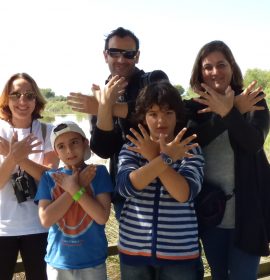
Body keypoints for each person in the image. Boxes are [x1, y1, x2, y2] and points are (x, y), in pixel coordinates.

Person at [187, 40, 270, 280]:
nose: (215, 72)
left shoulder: (254, 100)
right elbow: (194, 140)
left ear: (232, 67)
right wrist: (230, 110)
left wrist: (228, 110)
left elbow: (253, 142)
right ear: (200, 72)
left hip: (248, 213)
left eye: (221, 64)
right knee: (220, 275)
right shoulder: (195, 108)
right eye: (208, 67)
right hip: (211, 212)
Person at [67, 27, 169, 219]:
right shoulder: (103, 94)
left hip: (166, 186)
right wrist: (103, 106)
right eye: (114, 53)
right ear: (106, 55)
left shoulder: (154, 79)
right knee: (130, 249)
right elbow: (103, 149)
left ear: (137, 56)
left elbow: (157, 110)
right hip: (125, 192)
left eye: (128, 54)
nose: (121, 60)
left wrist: (104, 107)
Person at [115, 81, 204, 280]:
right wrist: (163, 159)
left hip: (179, 253)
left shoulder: (190, 149)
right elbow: (126, 187)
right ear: (144, 117)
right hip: (133, 250)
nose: (160, 120)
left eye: (168, 113)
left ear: (177, 116)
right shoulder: (132, 147)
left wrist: (157, 158)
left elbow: (184, 193)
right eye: (153, 114)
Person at [34, 120, 113, 280]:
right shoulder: (50, 178)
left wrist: (75, 189)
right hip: (58, 262)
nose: (69, 150)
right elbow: (46, 219)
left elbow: (101, 217)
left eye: (74, 142)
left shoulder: (98, 172)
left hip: (92, 260)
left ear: (85, 143)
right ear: (56, 152)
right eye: (61, 146)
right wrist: (76, 187)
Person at [0, 72, 59, 280]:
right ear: (7, 99)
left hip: (38, 226)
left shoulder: (48, 131)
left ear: (37, 100)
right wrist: (12, 157)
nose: (22, 101)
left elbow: (51, 179)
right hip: (2, 228)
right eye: (15, 95)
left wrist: (15, 156)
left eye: (29, 95)